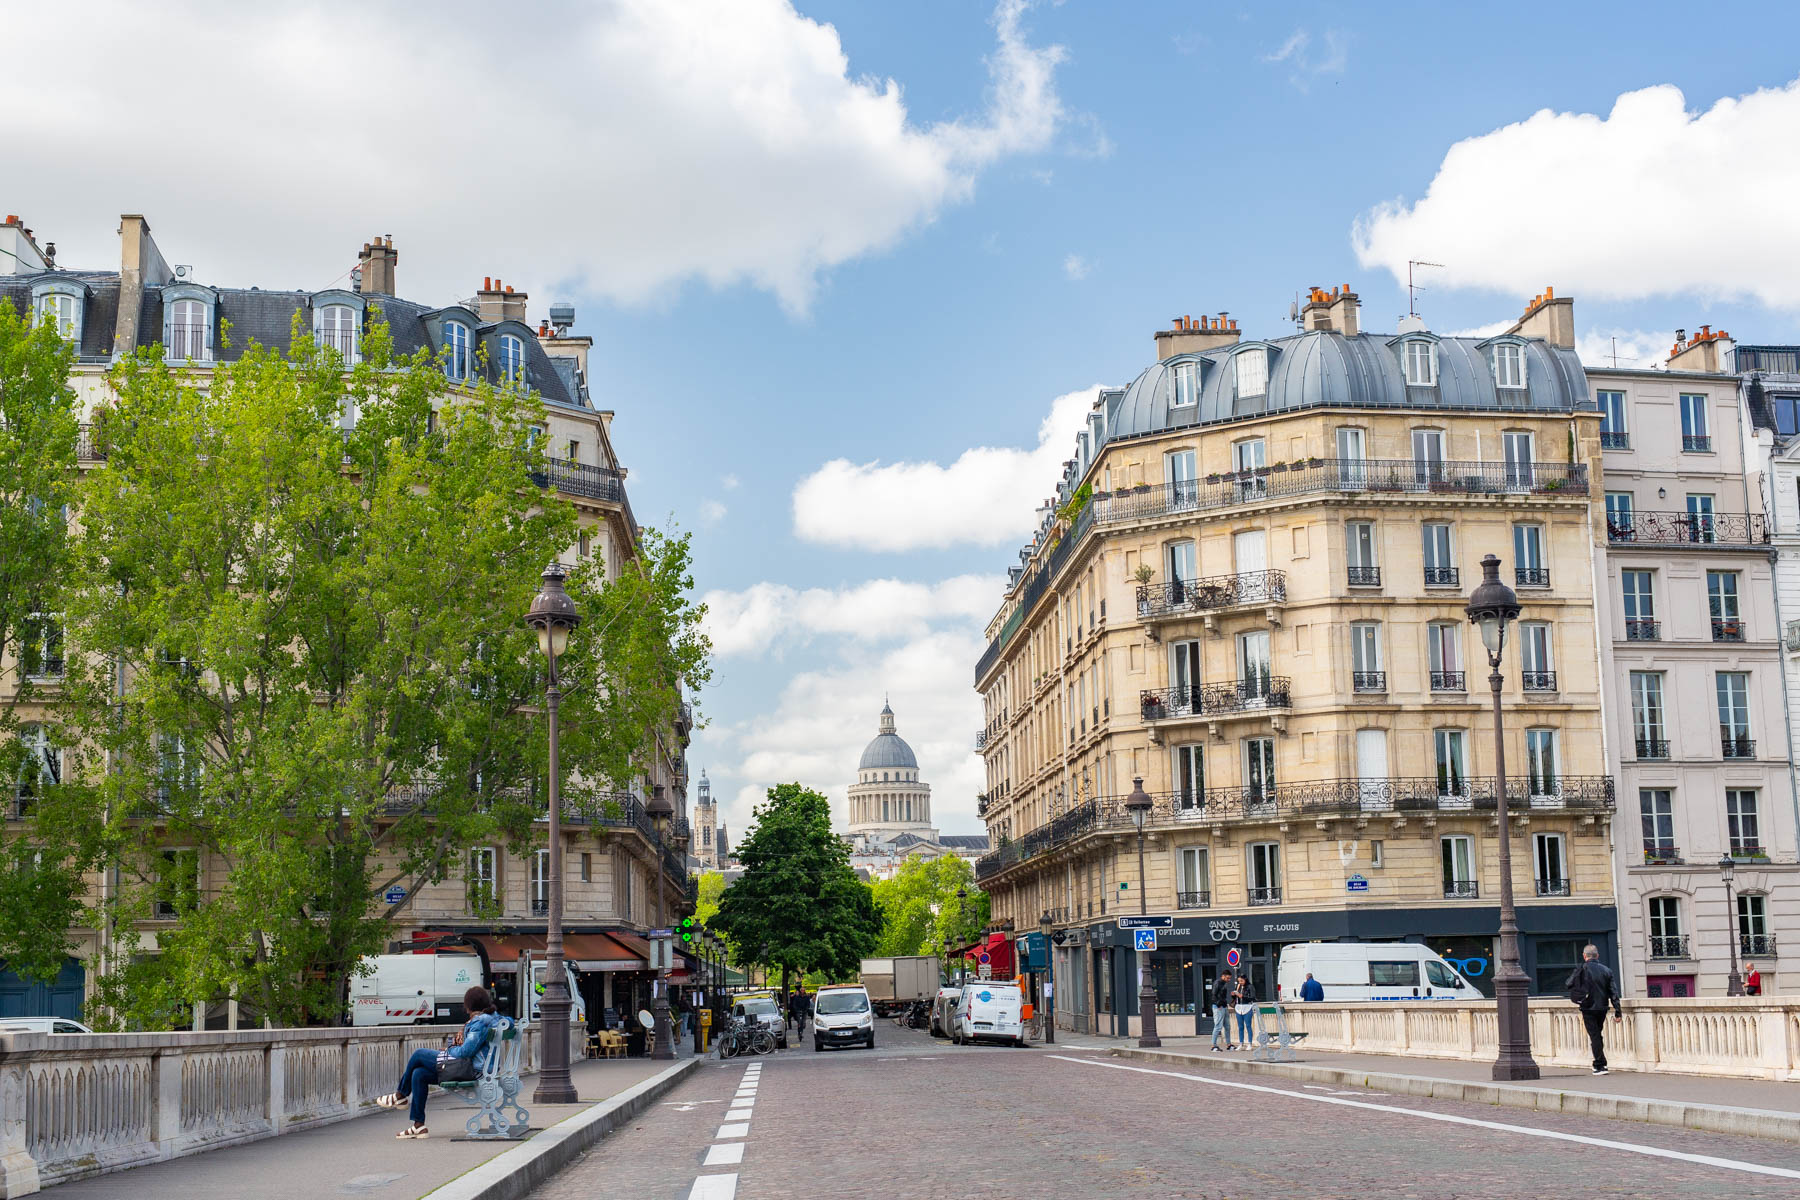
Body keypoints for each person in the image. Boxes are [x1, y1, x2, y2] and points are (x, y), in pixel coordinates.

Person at [380, 985, 503, 1139]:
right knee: (419, 1074)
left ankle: (400, 1094)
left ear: (468, 1006)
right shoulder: (492, 1018)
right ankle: (418, 1126)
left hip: (472, 1070)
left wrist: (448, 1051)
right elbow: (509, 1022)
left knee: (418, 1054)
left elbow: (466, 1051)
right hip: (476, 1068)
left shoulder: (479, 1023)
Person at [1564, 944, 1622, 1075]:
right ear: (1597, 956)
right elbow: (1614, 992)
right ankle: (1600, 1063)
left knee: (1595, 1035)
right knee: (1597, 1035)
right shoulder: (1607, 970)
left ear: (1584, 956)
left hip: (1587, 1007)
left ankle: (1600, 1065)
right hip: (1602, 1007)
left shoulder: (1581, 968)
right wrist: (1618, 1011)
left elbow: (1568, 983)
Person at [1209, 969, 1235, 1052]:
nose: (1229, 980)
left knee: (1227, 1026)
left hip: (1223, 1006)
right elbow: (1213, 994)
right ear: (1223, 976)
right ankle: (1213, 1045)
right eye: (1227, 978)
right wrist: (1218, 1004)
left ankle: (1229, 1044)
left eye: (1229, 978)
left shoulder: (1223, 983)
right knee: (1218, 1026)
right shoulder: (1218, 983)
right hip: (1219, 1007)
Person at [1234, 972, 1257, 1050]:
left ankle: (1250, 1043)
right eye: (1239, 981)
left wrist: (1242, 996)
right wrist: (1233, 994)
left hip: (1247, 1007)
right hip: (1238, 1007)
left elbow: (1253, 997)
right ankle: (1241, 1043)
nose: (1240, 982)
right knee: (1240, 1027)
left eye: (1241, 981)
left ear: (1245, 980)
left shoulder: (1250, 987)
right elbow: (1236, 998)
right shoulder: (1239, 987)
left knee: (1248, 1025)